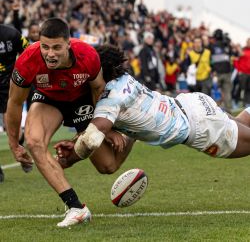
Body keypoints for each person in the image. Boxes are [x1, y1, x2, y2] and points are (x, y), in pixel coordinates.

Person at [5, 18, 129, 227]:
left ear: (68, 44)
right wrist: (14, 144)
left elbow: (99, 89)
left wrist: (107, 128)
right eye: (45, 47)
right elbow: (15, 102)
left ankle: (131, 135)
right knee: (35, 142)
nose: (50, 53)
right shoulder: (27, 60)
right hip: (49, 99)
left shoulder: (87, 55)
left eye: (56, 47)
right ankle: (76, 207)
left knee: (108, 166)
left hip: (82, 100)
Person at [55, 44, 250, 173]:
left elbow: (91, 137)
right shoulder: (122, 78)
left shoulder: (110, 98)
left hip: (200, 127)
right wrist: (109, 132)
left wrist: (68, 159)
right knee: (242, 123)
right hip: (193, 104)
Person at [0, 23, 29, 181]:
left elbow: (28, 51)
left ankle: (20, 141)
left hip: (8, 87)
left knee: (13, 132)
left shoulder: (11, 33)